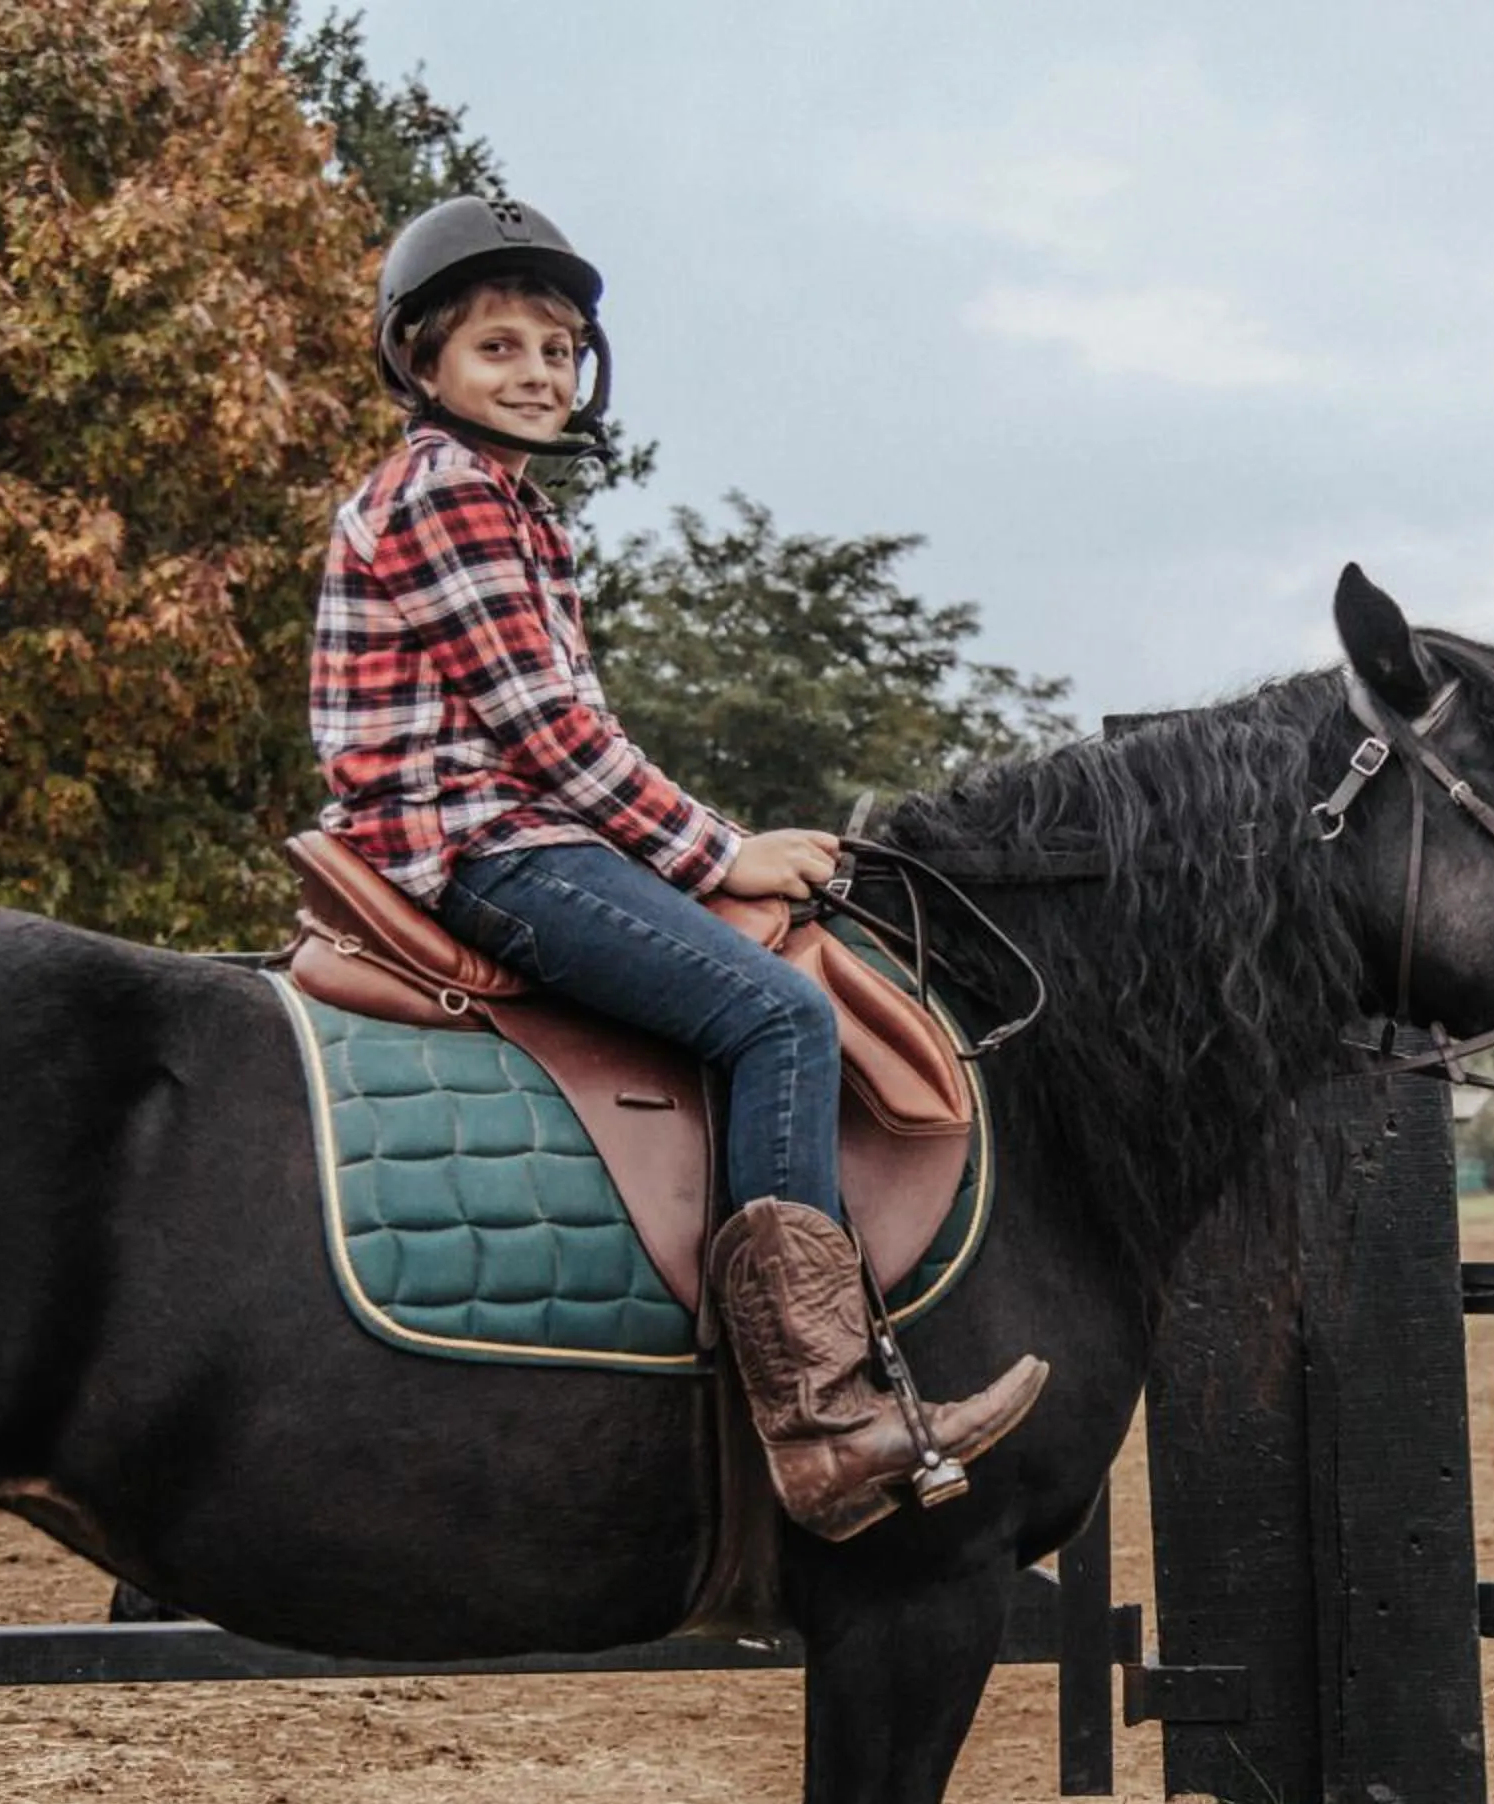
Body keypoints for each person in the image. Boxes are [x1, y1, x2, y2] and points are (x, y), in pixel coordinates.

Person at [308, 194, 1044, 1540]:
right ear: (422, 365)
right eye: (499, 350)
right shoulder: (447, 495)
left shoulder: (521, 512)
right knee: (777, 1010)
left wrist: (713, 869)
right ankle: (822, 1409)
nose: (534, 373)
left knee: (764, 944)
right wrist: (721, 848)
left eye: (556, 350)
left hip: (531, 829)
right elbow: (552, 734)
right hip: (472, 842)